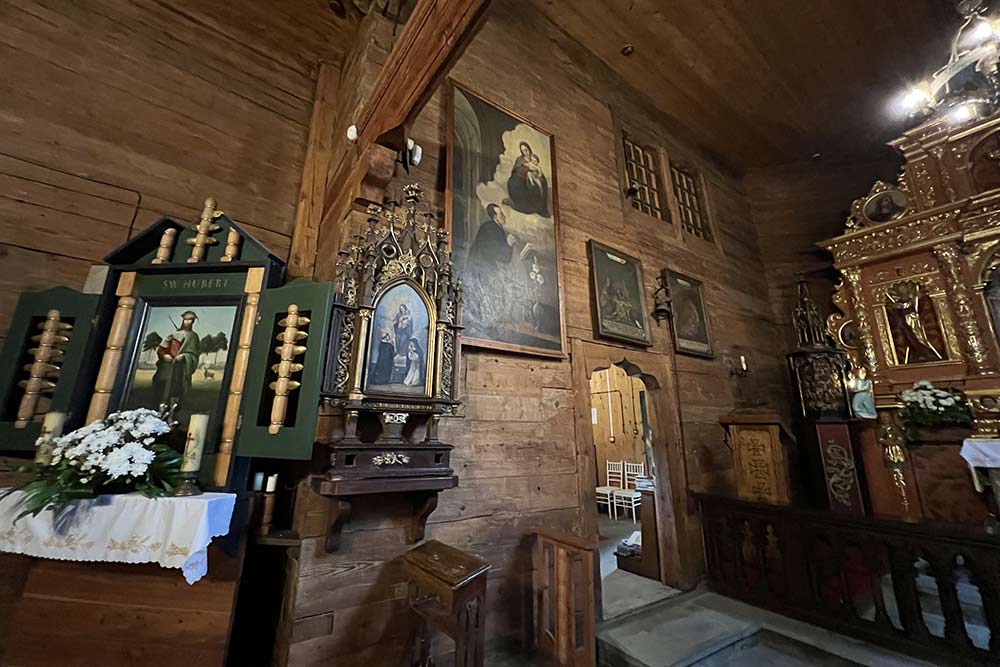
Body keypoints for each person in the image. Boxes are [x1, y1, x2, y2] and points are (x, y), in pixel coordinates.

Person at [152, 310, 201, 408]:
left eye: (190, 320)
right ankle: (160, 405)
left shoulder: (193, 336)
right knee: (162, 381)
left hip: (180, 366)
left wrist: (185, 356)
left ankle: (174, 407)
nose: (187, 322)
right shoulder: (173, 334)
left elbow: (194, 354)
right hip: (168, 365)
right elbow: (162, 349)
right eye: (186, 320)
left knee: (176, 386)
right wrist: (164, 356)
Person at [507, 141, 549, 216]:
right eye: (523, 151)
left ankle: (540, 207)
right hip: (522, 178)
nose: (525, 152)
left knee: (542, 183)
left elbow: (538, 168)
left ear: (529, 149)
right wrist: (526, 169)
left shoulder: (533, 157)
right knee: (514, 182)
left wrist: (538, 173)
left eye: (526, 150)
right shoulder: (520, 159)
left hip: (534, 176)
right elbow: (515, 170)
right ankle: (524, 206)